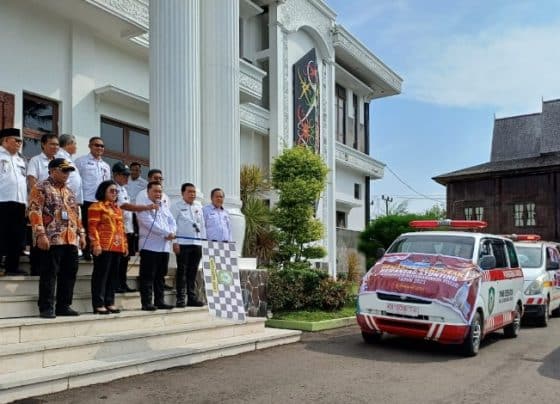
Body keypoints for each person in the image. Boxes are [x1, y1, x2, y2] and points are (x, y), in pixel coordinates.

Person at [28, 158, 86, 318]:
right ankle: (46, 307)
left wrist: (81, 234)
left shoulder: (69, 191)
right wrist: (40, 234)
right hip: (51, 238)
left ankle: (63, 306)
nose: (67, 174)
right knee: (49, 273)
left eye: (69, 171)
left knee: (69, 273)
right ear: (52, 170)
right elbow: (34, 211)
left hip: (70, 238)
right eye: (63, 170)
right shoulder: (40, 187)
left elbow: (75, 214)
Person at [112, 162, 158, 293]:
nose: (127, 178)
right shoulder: (113, 188)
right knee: (118, 258)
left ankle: (122, 283)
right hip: (117, 228)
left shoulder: (124, 189)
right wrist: (145, 207)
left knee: (125, 258)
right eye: (124, 175)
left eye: (128, 175)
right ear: (115, 175)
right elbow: (124, 206)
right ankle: (115, 284)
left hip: (127, 227)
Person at [136, 181, 176, 311]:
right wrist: (166, 233)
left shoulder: (164, 206)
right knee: (148, 276)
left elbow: (172, 221)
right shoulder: (143, 206)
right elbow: (148, 223)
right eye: (155, 191)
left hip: (164, 247)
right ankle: (146, 303)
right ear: (148, 192)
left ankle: (160, 301)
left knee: (160, 276)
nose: (158, 194)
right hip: (149, 246)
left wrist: (173, 232)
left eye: (160, 191)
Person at [88, 180, 127, 314]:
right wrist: (96, 244)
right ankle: (98, 303)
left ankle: (110, 301)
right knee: (101, 275)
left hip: (117, 247)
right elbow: (92, 227)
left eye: (116, 191)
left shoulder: (117, 209)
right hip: (103, 246)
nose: (115, 193)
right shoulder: (96, 206)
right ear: (103, 191)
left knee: (113, 276)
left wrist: (125, 245)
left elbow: (122, 228)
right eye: (112, 190)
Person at [75, 137, 111, 260]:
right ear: (90, 146)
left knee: (100, 227)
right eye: (96, 145)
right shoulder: (81, 161)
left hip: (101, 202)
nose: (99, 148)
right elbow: (75, 181)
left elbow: (107, 185)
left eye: (102, 146)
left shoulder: (106, 165)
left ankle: (98, 251)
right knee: (86, 225)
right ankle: (85, 251)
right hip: (87, 199)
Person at [171, 183, 206, 307]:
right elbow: (172, 225)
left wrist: (204, 242)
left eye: (194, 192)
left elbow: (202, 225)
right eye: (189, 192)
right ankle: (180, 298)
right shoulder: (176, 206)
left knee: (192, 272)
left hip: (197, 243)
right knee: (182, 271)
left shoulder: (198, 206)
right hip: (183, 244)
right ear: (183, 193)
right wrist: (174, 242)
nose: (192, 194)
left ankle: (192, 298)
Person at [0, 128, 27, 276]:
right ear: (5, 140)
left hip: (19, 202)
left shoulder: (20, 159)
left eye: (20, 141)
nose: (19, 143)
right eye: (16, 140)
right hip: (2, 200)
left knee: (16, 236)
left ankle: (12, 267)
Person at [57, 134, 83, 205]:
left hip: (70, 198)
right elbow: (60, 176)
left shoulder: (68, 157)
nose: (76, 147)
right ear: (68, 144)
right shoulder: (60, 156)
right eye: (75, 144)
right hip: (64, 197)